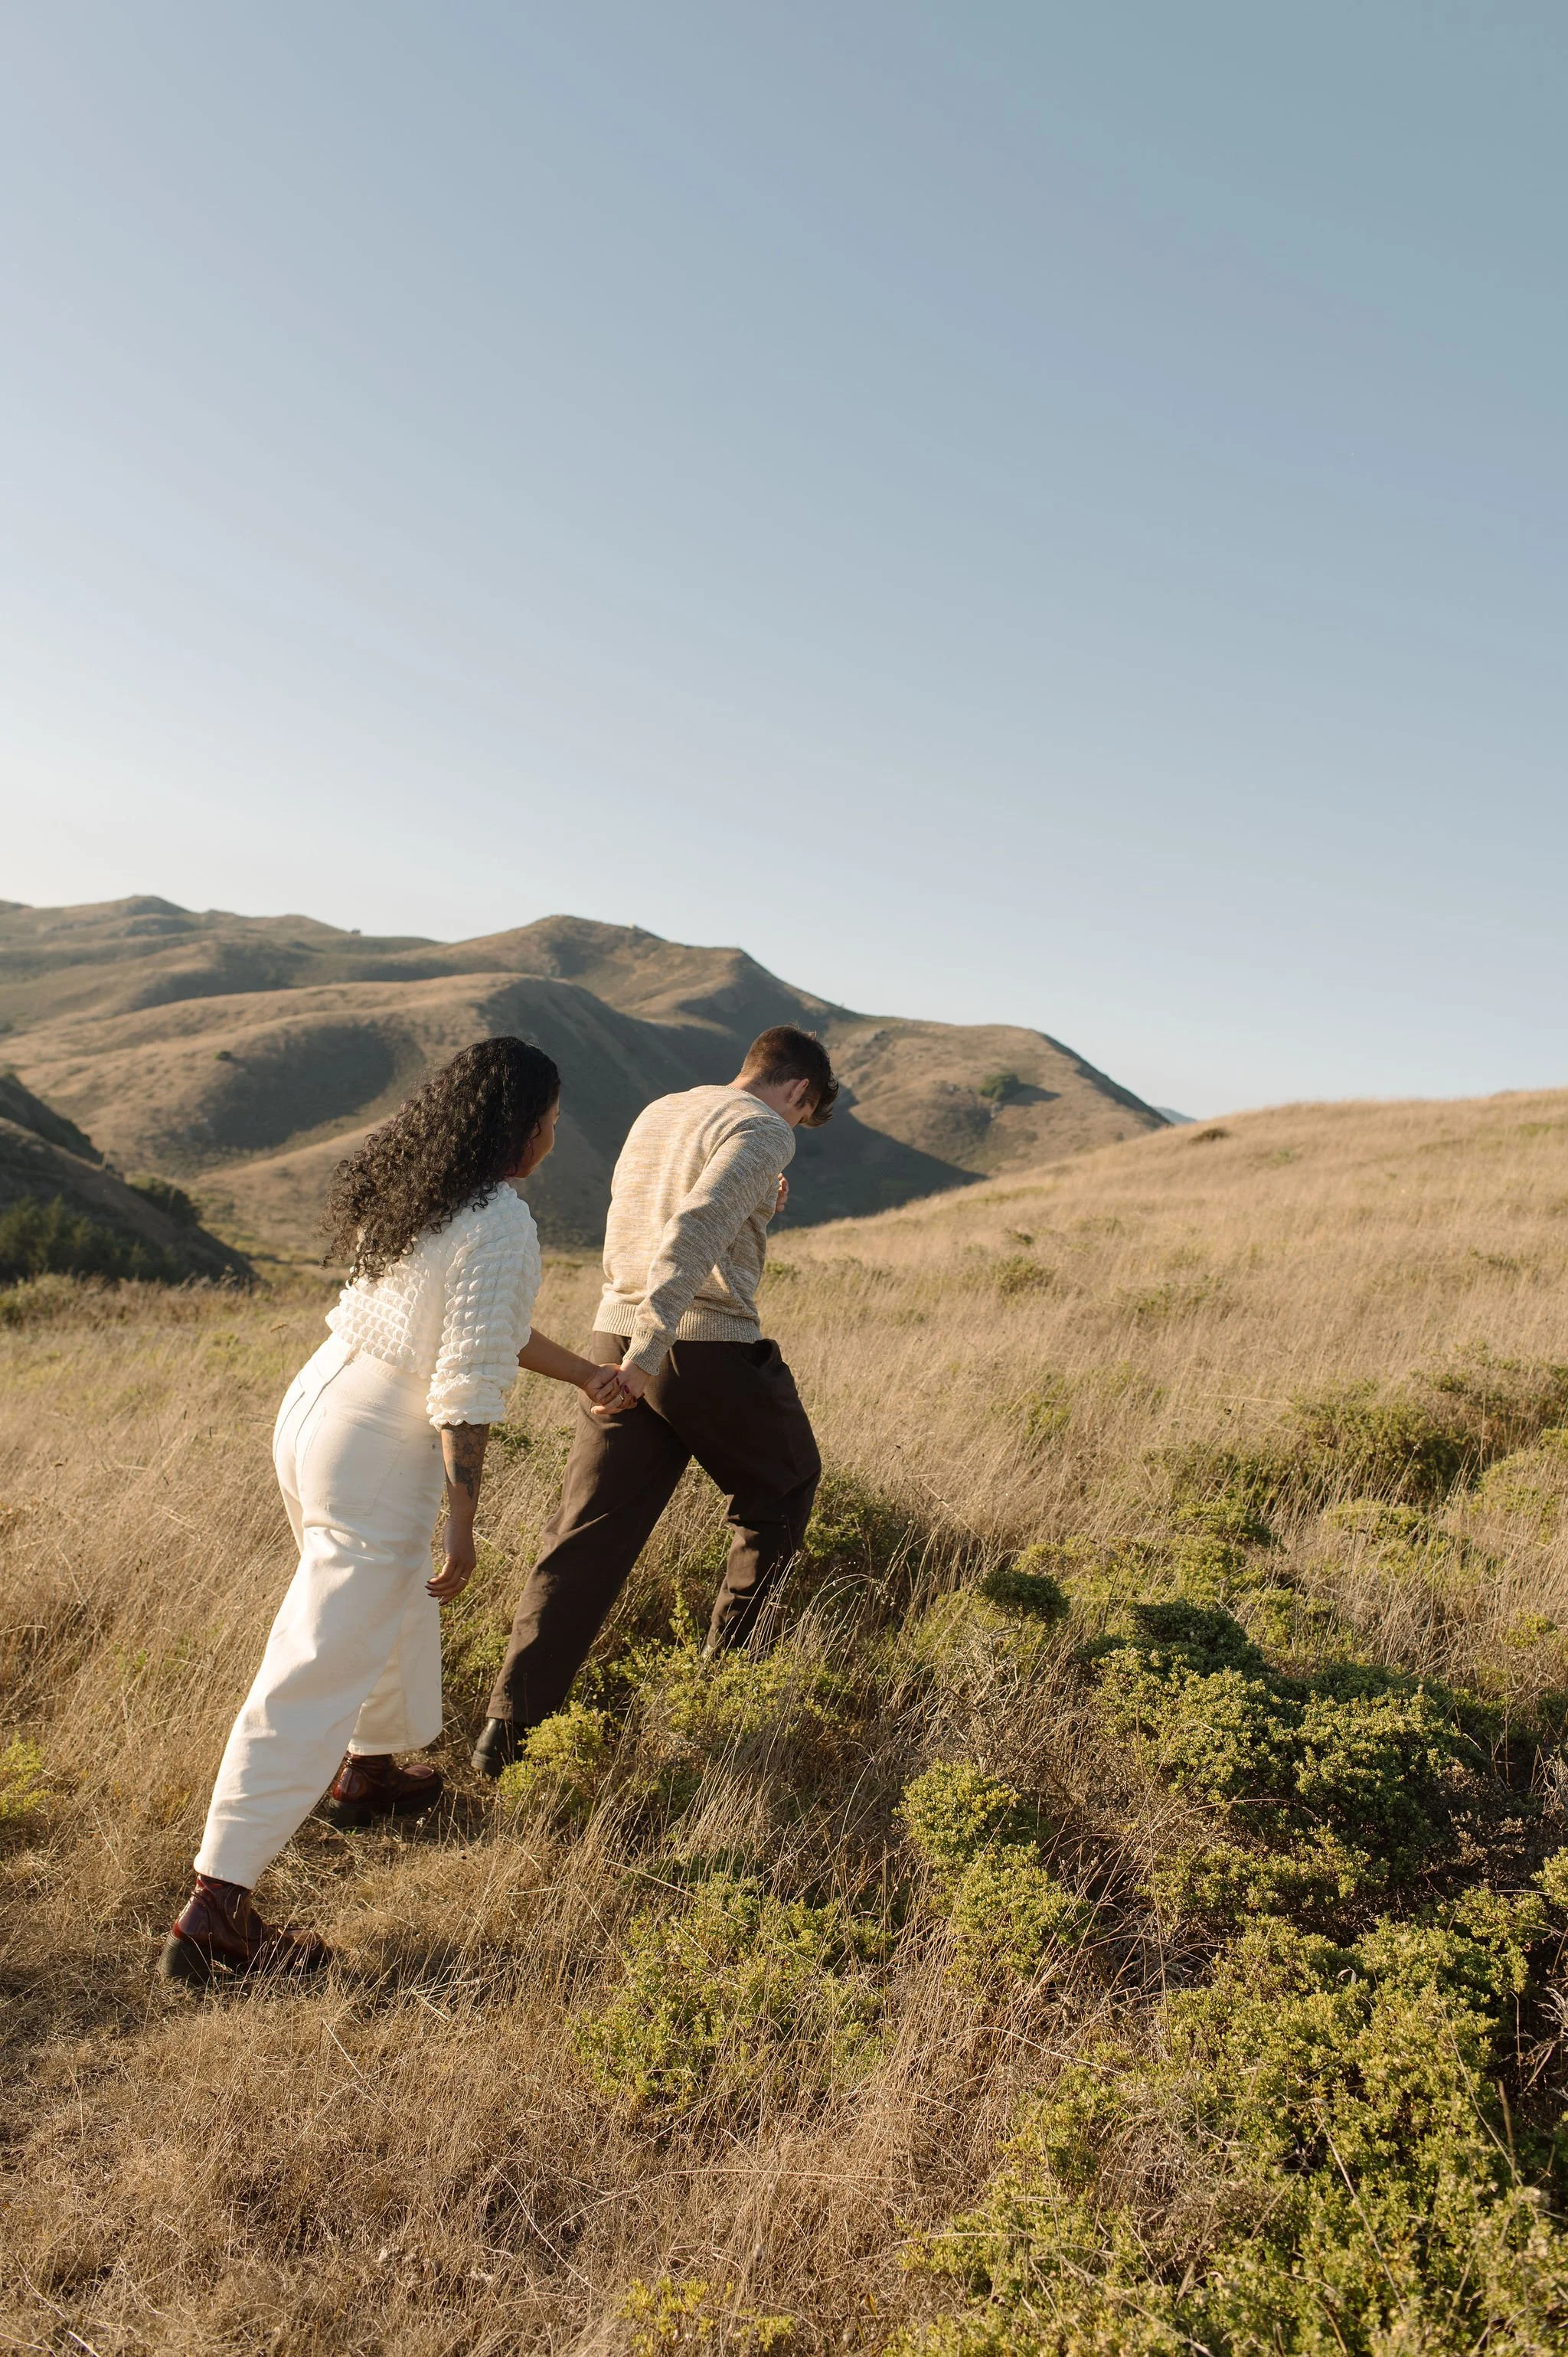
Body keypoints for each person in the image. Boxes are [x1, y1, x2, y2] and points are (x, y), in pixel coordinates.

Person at [160, 1037, 621, 1983]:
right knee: (315, 1663)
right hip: (380, 1444)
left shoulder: (430, 1191)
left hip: (317, 1409)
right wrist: (463, 1518)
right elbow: (463, 1381)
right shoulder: (499, 1221)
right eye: (549, 1119)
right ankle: (215, 1912)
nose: (553, 1133)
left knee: (383, 1606)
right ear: (519, 1128)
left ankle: (368, 1773)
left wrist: (583, 1374)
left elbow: (478, 1326)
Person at [471, 1025, 838, 1777]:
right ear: (798, 1090)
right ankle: (725, 1689)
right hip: (694, 1346)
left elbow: (651, 1216)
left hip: (613, 1333)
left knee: (585, 1534)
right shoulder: (765, 1126)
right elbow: (694, 1228)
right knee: (784, 1485)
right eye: (804, 1114)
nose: (796, 1127)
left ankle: (506, 1733)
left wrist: (631, 1347)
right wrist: (649, 1353)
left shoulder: (662, 1111)